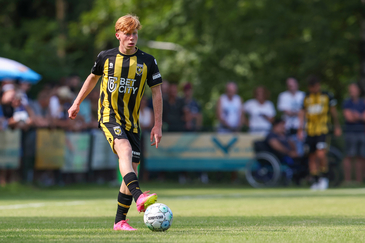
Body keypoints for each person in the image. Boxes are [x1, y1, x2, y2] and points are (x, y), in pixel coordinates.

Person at [68, 14, 163, 231]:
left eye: (135, 34)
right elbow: (92, 78)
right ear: (118, 35)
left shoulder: (148, 61)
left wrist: (158, 125)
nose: (132, 38)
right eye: (127, 34)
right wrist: (76, 103)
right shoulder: (105, 57)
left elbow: (157, 93)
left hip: (133, 122)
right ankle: (140, 196)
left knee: (131, 169)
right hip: (108, 115)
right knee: (125, 152)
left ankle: (120, 221)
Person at [298, 75, 342, 190]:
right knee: (311, 155)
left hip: (323, 130)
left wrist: (337, 126)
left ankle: (324, 177)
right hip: (310, 131)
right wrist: (300, 129)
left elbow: (333, 112)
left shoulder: (327, 96)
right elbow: (302, 113)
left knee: (321, 154)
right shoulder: (306, 97)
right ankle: (315, 179)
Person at [342, 83, 365, 184]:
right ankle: (348, 181)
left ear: (358, 91)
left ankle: (359, 181)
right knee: (349, 156)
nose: (352, 91)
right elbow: (349, 118)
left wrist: (356, 116)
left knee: (361, 157)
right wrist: (360, 116)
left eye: (354, 89)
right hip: (350, 133)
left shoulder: (363, 103)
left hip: (361, 132)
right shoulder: (347, 103)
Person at [277, 77, 305, 155]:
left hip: (301, 127)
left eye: (293, 85)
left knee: (302, 149)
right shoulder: (283, 96)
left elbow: (305, 111)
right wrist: (300, 112)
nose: (291, 87)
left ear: (297, 85)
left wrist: (299, 112)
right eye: (289, 85)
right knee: (291, 148)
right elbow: (287, 112)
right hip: (288, 127)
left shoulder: (303, 95)